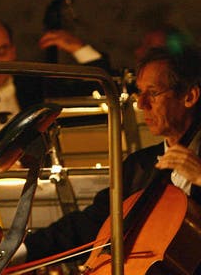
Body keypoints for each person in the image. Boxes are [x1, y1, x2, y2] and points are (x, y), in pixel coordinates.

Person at [14, 44, 201, 268]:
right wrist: (19, 252)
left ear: (189, 96)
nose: (141, 105)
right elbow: (90, 223)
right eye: (139, 92)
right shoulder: (138, 166)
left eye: (153, 93)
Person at [0, 18, 110, 136]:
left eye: (1, 51)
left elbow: (103, 91)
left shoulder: (41, 89)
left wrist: (80, 49)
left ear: (13, 51)